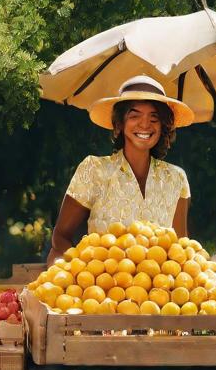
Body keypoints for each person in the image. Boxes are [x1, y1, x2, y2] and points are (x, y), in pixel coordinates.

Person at [47, 75, 195, 264]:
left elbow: (180, 248)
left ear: (163, 126)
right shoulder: (95, 170)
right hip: (102, 288)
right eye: (134, 116)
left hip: (159, 289)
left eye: (154, 118)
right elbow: (60, 237)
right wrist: (85, 268)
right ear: (119, 124)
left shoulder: (177, 178)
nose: (145, 124)